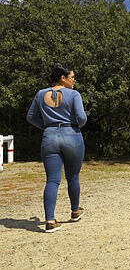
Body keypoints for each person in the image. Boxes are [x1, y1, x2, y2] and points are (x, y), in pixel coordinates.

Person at [26, 65, 87, 233]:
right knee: (73, 176)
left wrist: (47, 126)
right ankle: (75, 211)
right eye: (72, 77)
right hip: (72, 134)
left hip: (50, 136)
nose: (74, 80)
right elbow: (81, 117)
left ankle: (50, 220)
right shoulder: (74, 94)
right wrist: (77, 126)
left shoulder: (40, 94)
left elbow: (30, 117)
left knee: (52, 180)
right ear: (62, 78)